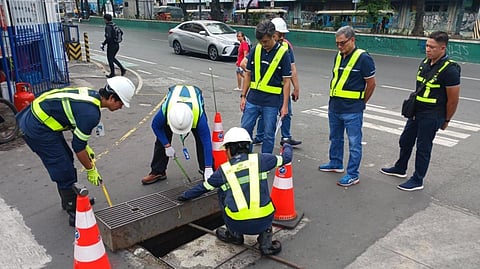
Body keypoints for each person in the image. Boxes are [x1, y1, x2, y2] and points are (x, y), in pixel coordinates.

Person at [16, 76, 135, 226]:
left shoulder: (90, 95)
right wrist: (90, 169)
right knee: (63, 166)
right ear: (111, 98)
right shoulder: (91, 114)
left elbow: (73, 120)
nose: (121, 107)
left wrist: (86, 147)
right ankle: (73, 210)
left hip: (42, 118)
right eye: (121, 103)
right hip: (37, 127)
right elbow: (78, 147)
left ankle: (69, 198)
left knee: (66, 158)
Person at [177, 127, 293, 255]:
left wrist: (184, 196)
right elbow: (287, 157)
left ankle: (234, 235)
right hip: (264, 222)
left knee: (222, 189)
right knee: (263, 196)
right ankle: (266, 244)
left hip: (237, 223)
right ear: (248, 147)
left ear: (228, 150)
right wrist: (286, 144)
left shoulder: (223, 170)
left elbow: (202, 188)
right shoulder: (261, 160)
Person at [380, 31, 461, 191]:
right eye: (427, 46)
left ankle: (418, 179)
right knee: (405, 140)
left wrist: (446, 120)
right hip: (417, 112)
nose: (428, 49)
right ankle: (400, 168)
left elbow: (453, 99)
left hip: (432, 115)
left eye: (432, 47)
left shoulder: (450, 70)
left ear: (443, 48)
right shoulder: (425, 62)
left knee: (423, 148)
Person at [318, 25, 376, 187]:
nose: (339, 46)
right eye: (337, 43)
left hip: (352, 109)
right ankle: (335, 163)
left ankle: (353, 174)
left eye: (342, 43)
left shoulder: (363, 58)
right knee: (335, 138)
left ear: (352, 40)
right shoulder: (339, 55)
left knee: (354, 143)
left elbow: (371, 84)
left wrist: (361, 102)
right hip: (335, 107)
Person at [142, 84, 213, 185]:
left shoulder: (199, 117)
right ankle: (158, 171)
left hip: (194, 98)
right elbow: (156, 127)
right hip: (174, 101)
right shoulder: (165, 112)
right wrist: (166, 145)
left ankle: (206, 171)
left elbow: (207, 142)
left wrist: (209, 167)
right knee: (161, 139)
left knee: (201, 141)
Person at [240, 20, 292, 154]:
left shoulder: (283, 53)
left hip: (271, 102)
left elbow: (286, 82)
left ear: (274, 36)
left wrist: (285, 106)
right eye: (261, 41)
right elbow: (248, 74)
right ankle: (246, 158)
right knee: (245, 130)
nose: (264, 44)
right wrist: (243, 96)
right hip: (253, 99)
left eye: (266, 41)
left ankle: (265, 160)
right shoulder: (256, 49)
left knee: (269, 134)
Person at [252, 17, 302, 147]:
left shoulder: (285, 47)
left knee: (285, 112)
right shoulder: (261, 46)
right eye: (281, 34)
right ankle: (260, 136)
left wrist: (296, 88)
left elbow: (292, 69)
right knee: (266, 114)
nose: (282, 37)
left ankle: (285, 137)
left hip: (280, 88)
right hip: (267, 90)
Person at [101, 14, 126, 78]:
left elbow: (108, 37)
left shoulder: (108, 27)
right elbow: (121, 32)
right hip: (117, 45)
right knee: (112, 58)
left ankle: (112, 73)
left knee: (110, 59)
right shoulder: (114, 25)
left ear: (105, 19)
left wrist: (103, 44)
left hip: (111, 45)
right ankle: (122, 69)